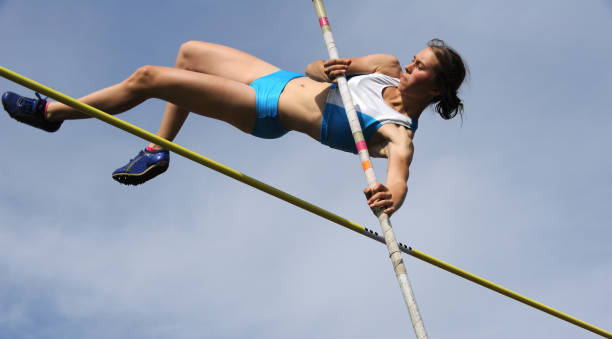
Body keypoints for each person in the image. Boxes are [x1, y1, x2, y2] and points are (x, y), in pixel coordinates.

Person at [2, 39, 466, 216]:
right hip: (280, 78)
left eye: (420, 67)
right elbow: (312, 66)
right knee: (186, 52)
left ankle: (50, 115)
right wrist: (326, 70)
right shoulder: (382, 65)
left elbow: (398, 181)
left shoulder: (396, 133)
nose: (409, 64)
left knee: (149, 78)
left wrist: (391, 199)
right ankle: (157, 149)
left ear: (439, 88)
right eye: (414, 58)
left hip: (264, 111)